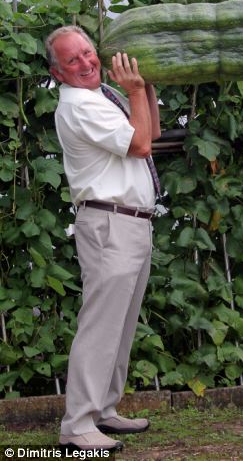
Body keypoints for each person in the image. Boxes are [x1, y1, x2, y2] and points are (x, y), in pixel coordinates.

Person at [45, 26, 161, 451]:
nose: (87, 63)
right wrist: (132, 91)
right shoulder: (78, 105)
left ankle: (103, 410)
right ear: (57, 72)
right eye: (72, 60)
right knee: (101, 326)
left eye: (88, 53)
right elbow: (142, 145)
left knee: (121, 325)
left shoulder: (98, 97)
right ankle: (76, 425)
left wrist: (143, 87)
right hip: (111, 223)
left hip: (129, 222)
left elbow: (153, 130)